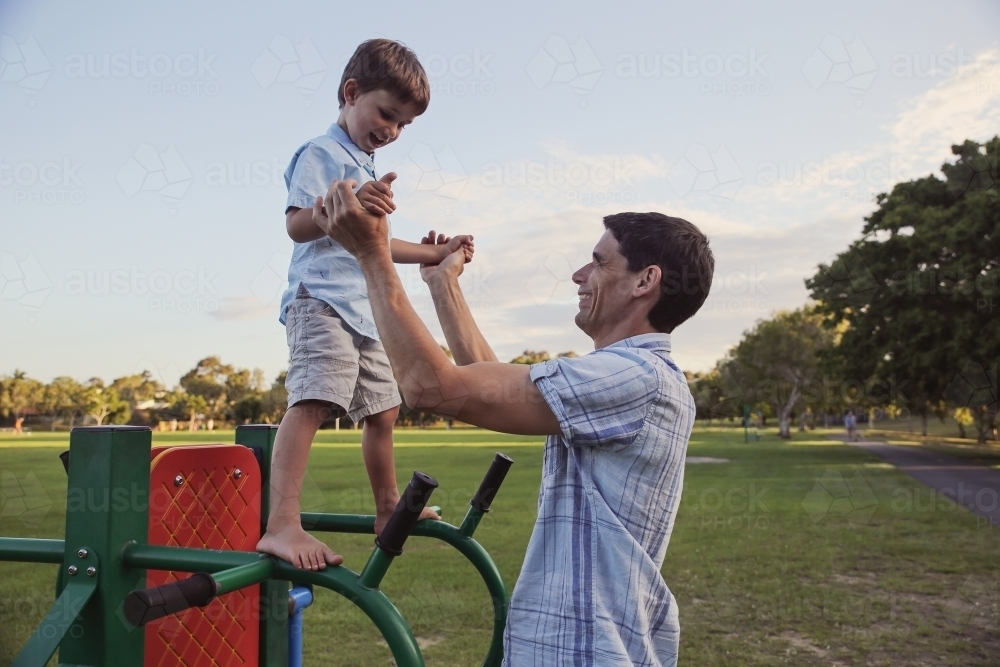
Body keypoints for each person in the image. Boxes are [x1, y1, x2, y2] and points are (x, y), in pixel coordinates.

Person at [315, 179, 715, 666]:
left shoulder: (634, 377)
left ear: (644, 281)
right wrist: (444, 284)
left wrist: (371, 254)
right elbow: (488, 386)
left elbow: (432, 388)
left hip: (584, 652)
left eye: (599, 261)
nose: (579, 274)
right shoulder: (631, 375)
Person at [256, 39, 473, 570]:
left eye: (403, 124)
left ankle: (386, 509)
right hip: (322, 303)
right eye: (386, 113)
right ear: (351, 93)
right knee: (314, 401)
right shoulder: (322, 154)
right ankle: (282, 525)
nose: (392, 130)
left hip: (365, 308)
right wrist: (344, 203)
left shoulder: (366, 164)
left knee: (385, 410)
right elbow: (296, 226)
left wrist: (436, 251)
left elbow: (378, 245)